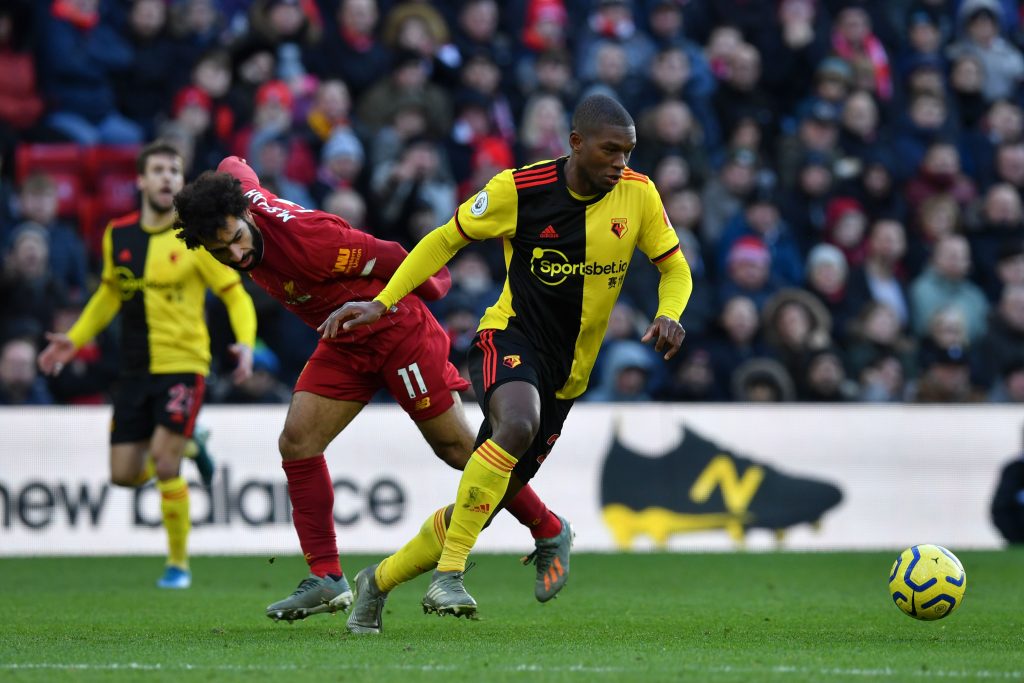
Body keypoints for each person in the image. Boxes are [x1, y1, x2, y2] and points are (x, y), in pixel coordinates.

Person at [329, 94, 691, 630]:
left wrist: (670, 313)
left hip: (569, 375)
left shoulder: (639, 195)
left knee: (478, 507)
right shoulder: (517, 190)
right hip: (509, 335)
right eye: (611, 150)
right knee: (518, 424)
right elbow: (441, 241)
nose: (621, 162)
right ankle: (450, 575)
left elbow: (675, 268)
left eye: (629, 152)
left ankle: (376, 582)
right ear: (575, 144)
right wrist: (383, 302)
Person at [171, 155, 573, 622]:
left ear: (245, 215)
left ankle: (548, 528)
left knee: (461, 449)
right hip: (344, 339)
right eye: (221, 252)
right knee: (298, 442)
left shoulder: (309, 243)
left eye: (238, 240)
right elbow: (235, 165)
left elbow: (387, 254)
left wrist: (438, 287)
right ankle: (326, 577)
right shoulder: (236, 198)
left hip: (395, 331)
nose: (237, 256)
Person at [37, 141, 257, 590]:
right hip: (135, 369)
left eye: (174, 172)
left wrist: (246, 344)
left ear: (180, 182)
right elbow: (109, 295)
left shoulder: (194, 238)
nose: (166, 178)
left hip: (185, 364)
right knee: (123, 475)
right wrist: (73, 341)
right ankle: (192, 443)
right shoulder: (118, 234)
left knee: (163, 462)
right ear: (139, 180)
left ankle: (178, 565)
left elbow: (234, 293)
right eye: (157, 170)